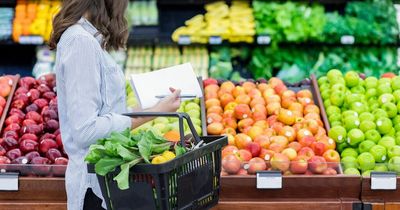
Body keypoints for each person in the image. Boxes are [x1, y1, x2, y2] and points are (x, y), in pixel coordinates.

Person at [49, 0, 181, 209]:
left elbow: (106, 113)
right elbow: (86, 130)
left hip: (106, 182)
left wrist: (151, 107)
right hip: (94, 187)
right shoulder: (80, 42)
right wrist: (152, 113)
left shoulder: (87, 39)